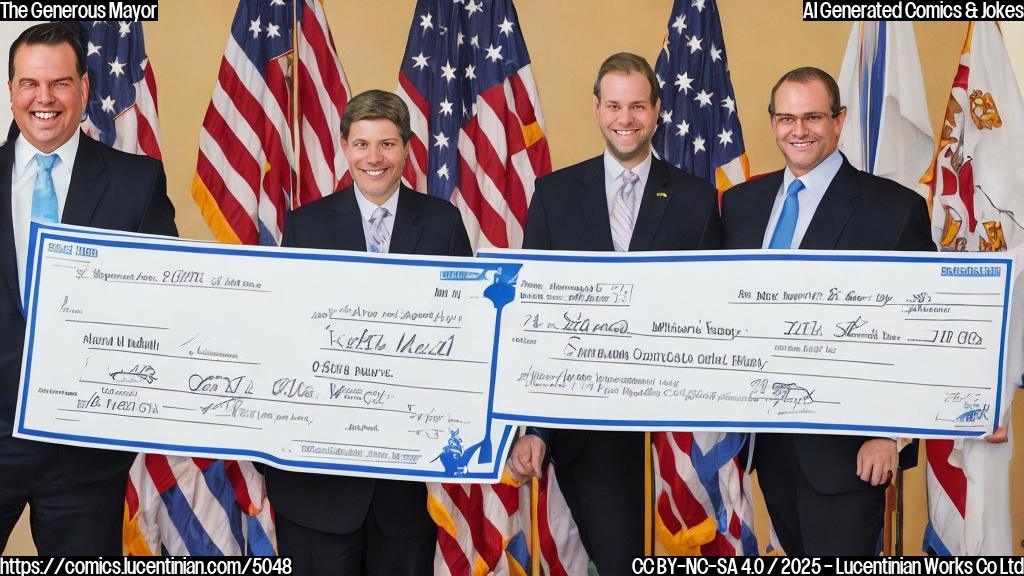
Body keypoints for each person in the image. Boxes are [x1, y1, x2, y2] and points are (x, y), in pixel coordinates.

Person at [506, 52, 721, 573]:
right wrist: (534, 428)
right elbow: (535, 317)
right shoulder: (554, 195)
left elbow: (715, 310)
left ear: (657, 111)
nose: (626, 119)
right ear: (597, 108)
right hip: (585, 433)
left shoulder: (696, 199)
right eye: (615, 106)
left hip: (674, 431)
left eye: (638, 106)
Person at [721, 67, 934, 555]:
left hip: (850, 452)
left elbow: (915, 328)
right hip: (767, 443)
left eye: (813, 117)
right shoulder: (742, 204)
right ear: (773, 122)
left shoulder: (893, 209)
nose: (799, 130)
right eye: (787, 118)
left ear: (838, 121)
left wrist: (889, 434)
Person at [264, 89, 472, 576]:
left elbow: (466, 337)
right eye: (361, 144)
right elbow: (282, 337)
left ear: (406, 149)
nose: (373, 158)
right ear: (343, 146)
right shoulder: (306, 226)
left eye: (387, 144)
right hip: (317, 488)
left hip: (403, 489)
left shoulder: (443, 225)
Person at [0, 23, 176, 554]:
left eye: (58, 83)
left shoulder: (137, 181)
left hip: (85, 447)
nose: (44, 98)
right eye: (30, 84)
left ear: (83, 90)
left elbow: (166, 298)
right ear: (11, 92)